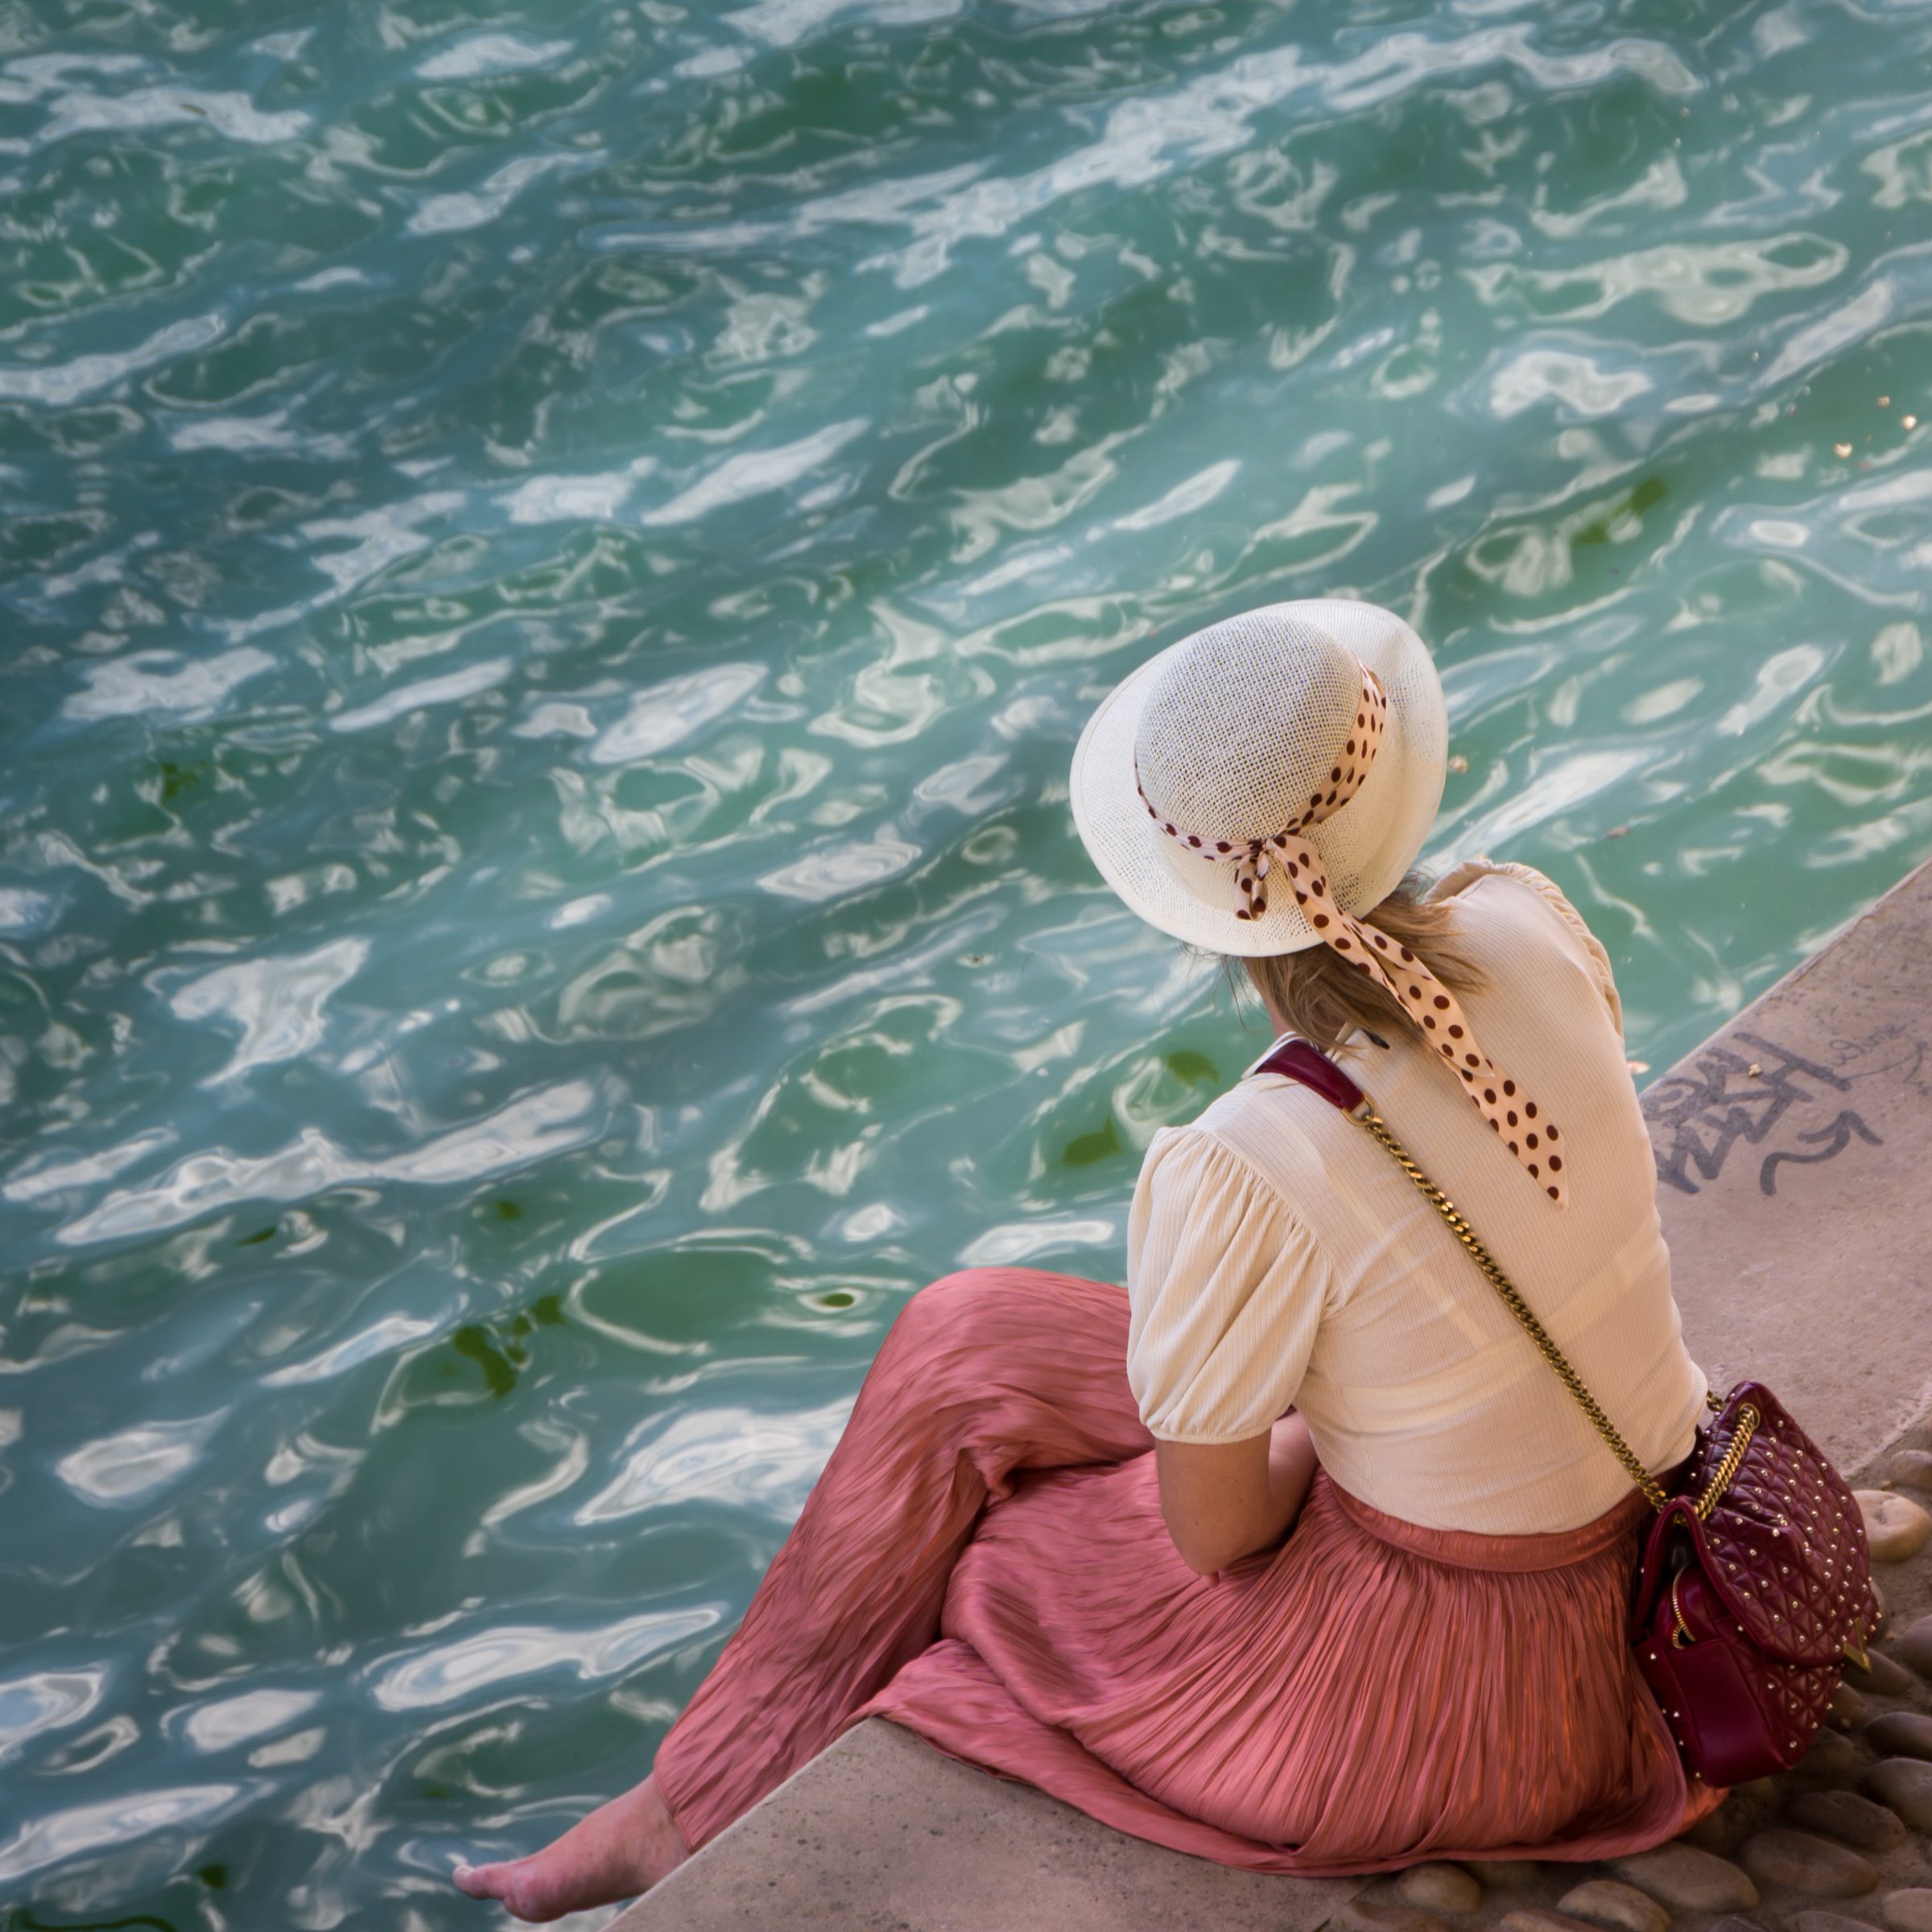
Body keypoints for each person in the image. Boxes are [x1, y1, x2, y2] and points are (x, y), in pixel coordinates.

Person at [455, 598, 1717, 1922]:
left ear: (1194, 911)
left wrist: (1291, 1444)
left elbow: (1218, 1534)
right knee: (967, 1338)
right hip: (1652, 1540)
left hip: (1481, 1701)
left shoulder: (1250, 1157)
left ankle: (692, 1811)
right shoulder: (1530, 924)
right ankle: (683, 1806)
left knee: (999, 1569)